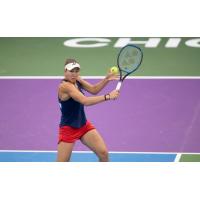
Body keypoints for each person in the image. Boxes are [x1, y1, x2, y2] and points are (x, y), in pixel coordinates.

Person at [57, 58, 120, 162]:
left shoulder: (77, 80)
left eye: (76, 71)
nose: (74, 74)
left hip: (83, 125)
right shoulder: (65, 86)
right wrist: (108, 96)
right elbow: (85, 101)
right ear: (65, 71)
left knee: (103, 154)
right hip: (68, 129)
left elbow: (94, 90)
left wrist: (106, 79)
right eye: (71, 71)